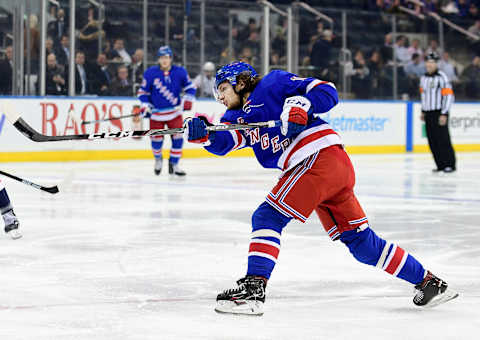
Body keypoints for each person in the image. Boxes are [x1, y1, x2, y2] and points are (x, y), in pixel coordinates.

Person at [186, 61, 458, 315]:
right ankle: (428, 282)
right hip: (331, 168)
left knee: (267, 217)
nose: (219, 97)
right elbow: (226, 142)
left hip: (318, 158)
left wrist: (301, 104)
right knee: (360, 242)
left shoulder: (273, 83)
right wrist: (205, 134)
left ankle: (253, 292)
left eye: (222, 89)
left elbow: (326, 91)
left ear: (240, 82)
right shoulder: (235, 116)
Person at [137, 45, 196, 176]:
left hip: (175, 114)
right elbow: (142, 92)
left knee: (178, 139)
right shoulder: (150, 73)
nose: (164, 60)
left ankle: (174, 164)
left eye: (167, 57)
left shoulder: (180, 71)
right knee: (156, 142)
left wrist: (187, 99)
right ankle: (158, 159)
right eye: (162, 57)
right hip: (156, 115)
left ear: (171, 59)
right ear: (158, 59)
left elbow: (191, 88)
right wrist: (145, 104)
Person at [420, 52, 456, 173]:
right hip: (428, 113)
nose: (429, 64)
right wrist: (423, 111)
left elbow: (448, 96)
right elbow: (423, 96)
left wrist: (444, 113)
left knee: (443, 139)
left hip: (439, 112)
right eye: (428, 62)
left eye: (432, 62)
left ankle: (449, 164)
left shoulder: (442, 77)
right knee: (432, 140)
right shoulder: (423, 78)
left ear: (436, 64)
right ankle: (440, 164)